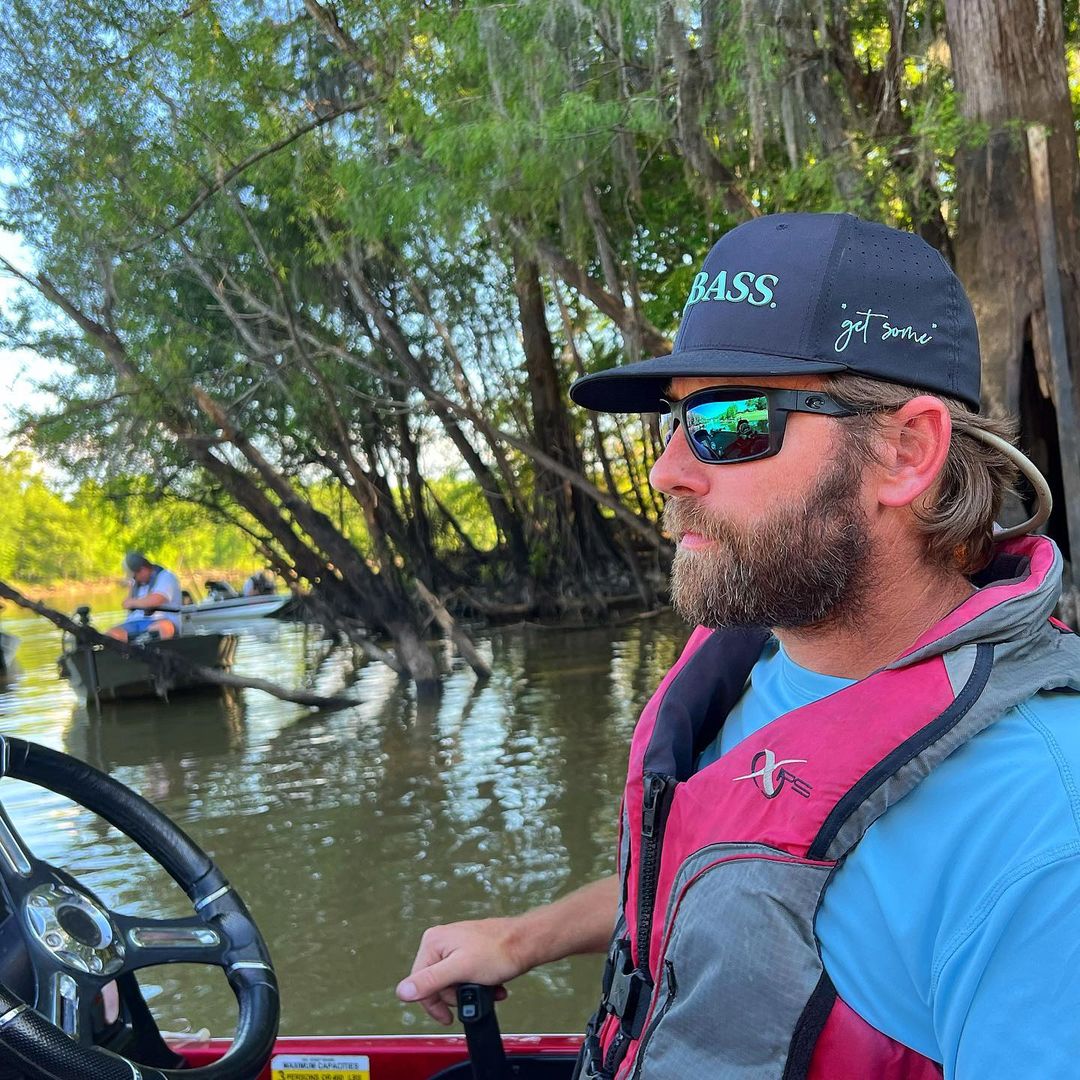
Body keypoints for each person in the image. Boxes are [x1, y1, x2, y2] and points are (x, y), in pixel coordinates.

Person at [397, 212, 1080, 1078]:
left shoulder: (1042, 831)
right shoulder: (760, 659)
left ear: (907, 452)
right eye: (673, 421)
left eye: (728, 420)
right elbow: (711, 871)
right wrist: (523, 937)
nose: (667, 471)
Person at [108, 552, 183, 641]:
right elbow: (126, 604)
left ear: (143, 569)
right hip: (134, 622)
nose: (134, 579)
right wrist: (131, 592)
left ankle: (155, 647)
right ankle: (124, 648)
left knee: (163, 627)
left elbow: (156, 600)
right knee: (112, 633)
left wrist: (132, 602)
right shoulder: (136, 583)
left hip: (161, 620)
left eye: (134, 576)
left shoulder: (166, 576)